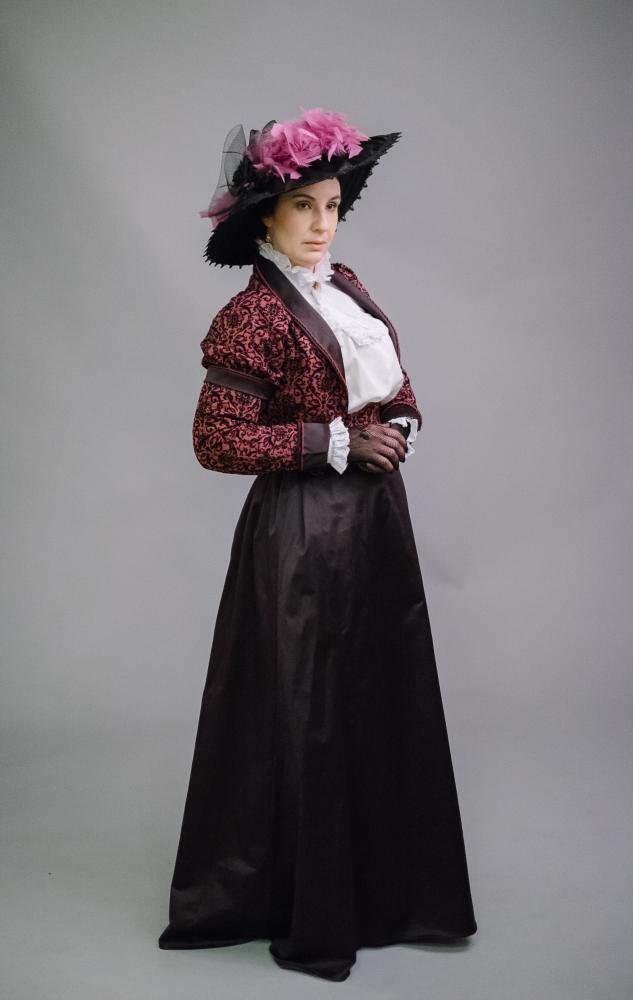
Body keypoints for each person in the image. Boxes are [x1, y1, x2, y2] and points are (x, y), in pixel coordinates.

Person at [158, 107, 477, 982]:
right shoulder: (252, 315)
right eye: (304, 206)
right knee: (309, 709)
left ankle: (385, 893)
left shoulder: (350, 286)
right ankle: (310, 902)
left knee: (379, 695)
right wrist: (331, 442)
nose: (323, 223)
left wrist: (399, 420)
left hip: (374, 524)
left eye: (332, 206)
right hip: (301, 535)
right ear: (265, 215)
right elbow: (216, 439)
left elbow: (391, 380)